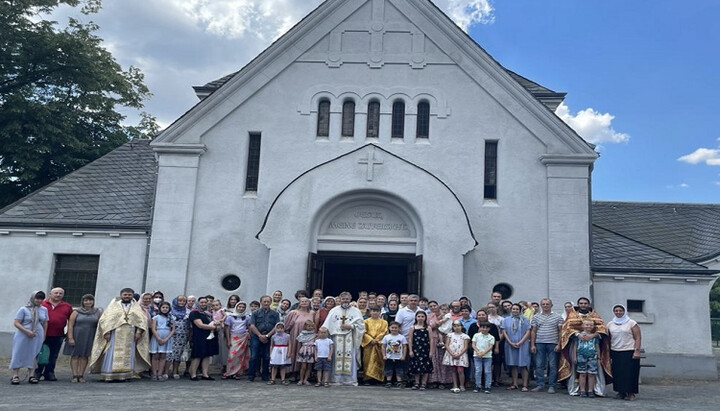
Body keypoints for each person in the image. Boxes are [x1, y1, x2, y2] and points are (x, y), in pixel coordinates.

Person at [89, 288, 151, 382]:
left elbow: (142, 320)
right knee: (111, 353)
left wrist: (138, 332)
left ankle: (124, 375)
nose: (127, 296)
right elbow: (105, 319)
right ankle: (109, 374)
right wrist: (107, 332)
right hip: (115, 333)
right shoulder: (113, 305)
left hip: (130, 333)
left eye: (129, 295)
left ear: (132, 296)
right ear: (121, 295)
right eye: (125, 294)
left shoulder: (136, 306)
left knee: (128, 354)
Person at [558, 297, 612, 396]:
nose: (583, 305)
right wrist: (578, 334)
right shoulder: (572, 315)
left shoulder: (594, 315)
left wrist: (593, 335)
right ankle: (578, 389)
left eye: (585, 303)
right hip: (577, 345)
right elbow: (566, 328)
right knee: (577, 369)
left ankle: (594, 389)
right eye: (581, 303)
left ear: (588, 304)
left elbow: (602, 328)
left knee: (593, 370)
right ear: (578, 304)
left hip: (592, 348)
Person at [321, 291, 365, 385]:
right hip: (337, 338)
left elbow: (361, 325)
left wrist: (351, 326)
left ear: (350, 299)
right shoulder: (334, 310)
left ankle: (349, 380)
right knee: (336, 357)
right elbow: (327, 325)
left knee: (349, 357)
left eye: (347, 299)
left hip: (350, 337)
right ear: (340, 299)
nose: (345, 300)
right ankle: (336, 379)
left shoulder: (356, 311)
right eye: (343, 299)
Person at [34, 287, 72, 382]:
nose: (58, 295)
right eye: (56, 293)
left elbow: (71, 320)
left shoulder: (67, 306)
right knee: (41, 354)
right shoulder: (42, 304)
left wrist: (69, 333)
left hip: (57, 335)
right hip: (42, 334)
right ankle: (37, 372)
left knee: (53, 355)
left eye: (60, 293)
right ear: (50, 294)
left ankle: (49, 372)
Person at [10, 291, 48, 385]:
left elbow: (45, 322)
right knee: (18, 352)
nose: (39, 300)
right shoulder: (24, 309)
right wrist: (26, 331)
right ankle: (15, 375)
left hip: (37, 334)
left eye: (41, 299)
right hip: (23, 333)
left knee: (34, 353)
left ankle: (32, 374)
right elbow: (16, 322)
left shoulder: (43, 309)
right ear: (33, 298)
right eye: (37, 298)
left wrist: (44, 334)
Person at [63, 294, 102, 383]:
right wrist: (70, 337)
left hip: (90, 335)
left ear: (93, 301)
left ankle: (81, 375)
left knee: (84, 356)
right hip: (77, 335)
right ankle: (74, 375)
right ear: (82, 302)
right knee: (75, 355)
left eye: (90, 300)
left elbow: (100, 325)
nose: (88, 302)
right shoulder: (76, 312)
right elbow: (70, 325)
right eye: (86, 300)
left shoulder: (97, 312)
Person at [607, 304, 642, 401]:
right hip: (615, 351)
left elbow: (638, 337)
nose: (618, 312)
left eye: (620, 310)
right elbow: (609, 338)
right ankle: (621, 392)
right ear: (614, 312)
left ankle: (631, 393)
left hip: (629, 350)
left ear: (624, 311)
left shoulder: (631, 323)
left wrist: (637, 351)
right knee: (618, 373)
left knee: (630, 373)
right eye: (616, 311)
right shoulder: (610, 324)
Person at [530, 298, 563, 393]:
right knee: (539, 364)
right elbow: (533, 331)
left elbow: (561, 331)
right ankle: (540, 384)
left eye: (547, 304)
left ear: (551, 305)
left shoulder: (558, 317)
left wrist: (559, 344)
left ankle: (552, 385)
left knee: (552, 365)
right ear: (541, 305)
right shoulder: (536, 317)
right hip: (539, 343)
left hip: (553, 344)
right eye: (543, 304)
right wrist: (532, 344)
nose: (545, 306)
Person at [248, 295, 280, 382]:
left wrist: (267, 336)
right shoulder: (255, 313)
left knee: (266, 356)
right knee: (254, 356)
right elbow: (252, 325)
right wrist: (259, 335)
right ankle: (251, 375)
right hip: (256, 336)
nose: (266, 303)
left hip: (269, 336)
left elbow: (276, 326)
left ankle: (265, 375)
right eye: (264, 301)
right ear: (261, 302)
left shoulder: (275, 314)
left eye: (268, 302)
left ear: (270, 302)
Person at [188, 297, 220, 380]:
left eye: (205, 302)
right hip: (199, 336)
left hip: (210, 336)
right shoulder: (195, 312)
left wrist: (218, 326)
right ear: (198, 303)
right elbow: (200, 325)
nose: (203, 304)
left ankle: (205, 374)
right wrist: (213, 327)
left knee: (207, 355)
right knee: (197, 355)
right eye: (201, 302)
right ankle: (193, 374)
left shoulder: (210, 313)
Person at [501, 303, 531, 392]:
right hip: (510, 344)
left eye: (517, 309)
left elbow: (527, 331)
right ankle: (514, 383)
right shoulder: (506, 320)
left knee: (523, 364)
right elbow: (504, 332)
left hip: (523, 344)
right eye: (513, 309)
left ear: (520, 310)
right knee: (513, 364)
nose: (515, 311)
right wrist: (510, 342)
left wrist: (520, 342)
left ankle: (525, 384)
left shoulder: (525, 320)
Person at [284, 296, 315, 373]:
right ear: (299, 303)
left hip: (308, 337)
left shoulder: (312, 313)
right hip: (295, 335)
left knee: (306, 353)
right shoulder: (293, 312)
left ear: (309, 303)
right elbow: (286, 325)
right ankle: (292, 371)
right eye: (302, 301)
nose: (304, 303)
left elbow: (314, 324)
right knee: (294, 351)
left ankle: (302, 374)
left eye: (306, 301)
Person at [571, 319, 601, 397]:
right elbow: (575, 346)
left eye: (591, 325)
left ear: (593, 326)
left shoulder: (595, 337)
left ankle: (590, 390)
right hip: (580, 356)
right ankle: (582, 390)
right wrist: (574, 356)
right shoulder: (578, 336)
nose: (589, 326)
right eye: (587, 325)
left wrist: (599, 358)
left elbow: (597, 347)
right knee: (582, 373)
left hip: (592, 356)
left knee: (592, 373)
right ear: (582, 326)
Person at [427, 300, 452, 389]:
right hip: (433, 338)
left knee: (443, 359)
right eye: (431, 306)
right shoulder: (429, 316)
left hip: (445, 338)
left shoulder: (448, 315)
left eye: (435, 305)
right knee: (434, 359)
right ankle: (434, 380)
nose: (433, 307)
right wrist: (440, 320)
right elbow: (431, 326)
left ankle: (444, 381)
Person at [224, 301, 251, 379]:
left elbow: (249, 326)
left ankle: (237, 373)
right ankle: (229, 372)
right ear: (236, 307)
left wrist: (249, 335)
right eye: (239, 307)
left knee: (240, 356)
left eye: (243, 307)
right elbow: (227, 329)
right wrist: (228, 340)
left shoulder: (247, 317)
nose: (241, 308)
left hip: (243, 337)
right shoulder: (230, 317)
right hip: (233, 337)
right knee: (232, 355)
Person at [408, 310, 434, 390]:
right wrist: (410, 350)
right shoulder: (413, 327)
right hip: (416, 349)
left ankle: (424, 383)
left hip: (425, 349)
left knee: (425, 367)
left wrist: (431, 351)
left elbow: (431, 340)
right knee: (416, 366)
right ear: (416, 317)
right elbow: (410, 339)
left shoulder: (428, 328)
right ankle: (416, 383)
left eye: (422, 316)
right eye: (419, 316)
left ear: (425, 318)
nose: (420, 318)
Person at [362, 306, 388, 384]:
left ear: (380, 312)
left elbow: (384, 332)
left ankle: (379, 378)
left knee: (379, 360)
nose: (375, 312)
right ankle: (367, 378)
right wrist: (370, 340)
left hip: (379, 345)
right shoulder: (366, 321)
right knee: (368, 361)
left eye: (377, 311)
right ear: (370, 312)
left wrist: (376, 340)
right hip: (369, 345)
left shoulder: (384, 322)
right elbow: (363, 332)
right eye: (373, 311)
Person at [149, 301, 175, 381]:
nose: (165, 309)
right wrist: (158, 338)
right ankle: (154, 373)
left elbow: (173, 330)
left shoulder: (171, 318)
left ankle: (160, 373)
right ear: (160, 308)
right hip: (157, 337)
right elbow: (153, 328)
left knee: (163, 356)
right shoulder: (156, 317)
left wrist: (166, 339)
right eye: (163, 307)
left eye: (167, 307)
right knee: (155, 356)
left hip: (166, 338)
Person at [443, 320, 470, 393]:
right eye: (455, 326)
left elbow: (465, 346)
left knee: (460, 370)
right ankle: (455, 385)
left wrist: (459, 354)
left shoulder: (465, 336)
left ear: (461, 326)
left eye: (458, 326)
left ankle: (461, 385)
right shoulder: (450, 335)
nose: (457, 327)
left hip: (460, 355)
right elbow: (447, 345)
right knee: (453, 370)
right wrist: (452, 354)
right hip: (452, 354)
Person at [167, 295, 190, 379]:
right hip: (171, 335)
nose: (182, 303)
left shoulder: (188, 311)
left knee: (178, 354)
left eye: (184, 301)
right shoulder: (170, 311)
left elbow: (189, 324)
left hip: (183, 335)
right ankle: (166, 371)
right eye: (180, 301)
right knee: (169, 354)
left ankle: (175, 371)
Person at [381, 321, 407, 388]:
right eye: (392, 327)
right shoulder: (386, 337)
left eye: (396, 328)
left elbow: (404, 347)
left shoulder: (402, 337)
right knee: (388, 369)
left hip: (399, 357)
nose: (394, 329)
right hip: (389, 357)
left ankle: (399, 382)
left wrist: (403, 355)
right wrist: (384, 355)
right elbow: (383, 346)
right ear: (389, 328)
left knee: (399, 370)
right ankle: (388, 381)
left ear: (399, 329)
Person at [472, 322, 495, 394]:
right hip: (477, 356)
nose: (484, 329)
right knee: (478, 371)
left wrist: (483, 353)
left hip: (487, 356)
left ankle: (488, 386)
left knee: (487, 371)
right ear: (480, 328)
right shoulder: (476, 335)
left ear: (489, 329)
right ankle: (477, 385)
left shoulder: (491, 337)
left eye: (486, 328)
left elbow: (490, 347)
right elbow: (473, 344)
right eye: (483, 327)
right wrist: (478, 352)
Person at [295, 320, 317, 385]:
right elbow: (300, 341)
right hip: (304, 350)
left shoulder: (314, 334)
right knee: (303, 366)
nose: (310, 327)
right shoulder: (302, 334)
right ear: (305, 326)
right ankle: (301, 379)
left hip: (311, 350)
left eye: (312, 326)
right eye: (309, 326)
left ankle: (306, 379)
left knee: (309, 366)